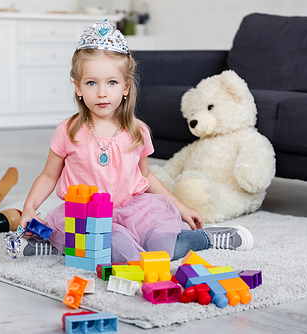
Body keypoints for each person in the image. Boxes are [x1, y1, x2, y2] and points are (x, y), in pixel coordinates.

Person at [20, 19, 254, 261]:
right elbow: (49, 176)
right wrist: (29, 206)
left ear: (125, 87)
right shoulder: (68, 131)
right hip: (85, 216)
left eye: (112, 82)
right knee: (113, 247)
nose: (102, 92)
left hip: (134, 211)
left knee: (165, 248)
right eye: (91, 83)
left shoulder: (136, 131)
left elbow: (146, 176)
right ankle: (58, 245)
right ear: (78, 87)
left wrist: (180, 208)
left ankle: (207, 238)